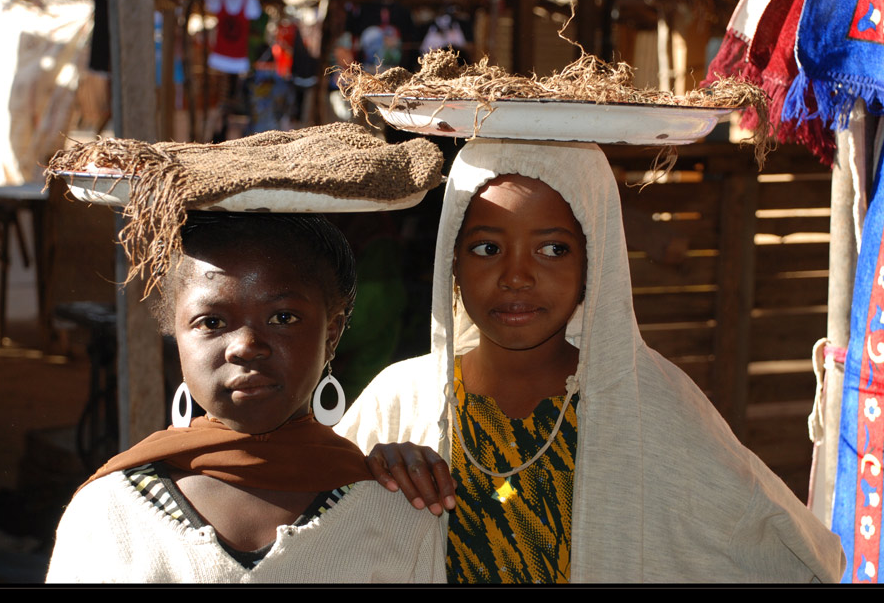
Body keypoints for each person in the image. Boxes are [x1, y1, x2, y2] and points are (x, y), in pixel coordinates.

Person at [336, 139, 846, 583]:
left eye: (553, 250)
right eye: (487, 247)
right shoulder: (401, 400)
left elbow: (788, 550)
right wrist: (366, 473)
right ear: (451, 256)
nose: (517, 276)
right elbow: (312, 527)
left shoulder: (653, 406)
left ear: (593, 262)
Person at [47, 213, 445, 583]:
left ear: (332, 334)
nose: (246, 346)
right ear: (176, 336)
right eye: (212, 322)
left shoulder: (399, 513)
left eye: (283, 318)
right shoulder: (110, 513)